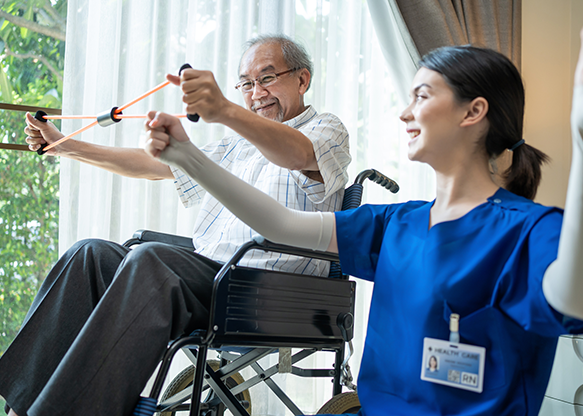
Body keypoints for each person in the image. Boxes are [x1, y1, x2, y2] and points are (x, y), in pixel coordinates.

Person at [142, 23, 583, 416]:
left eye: (422, 95)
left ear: (473, 112)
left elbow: (577, 302)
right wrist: (187, 158)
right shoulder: (396, 224)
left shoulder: (528, 230)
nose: (404, 112)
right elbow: (281, 226)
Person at [0, 34, 350, 416]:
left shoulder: (325, 129)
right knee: (90, 255)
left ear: (302, 80)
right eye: (246, 84)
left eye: (267, 78)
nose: (256, 92)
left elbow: (297, 153)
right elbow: (155, 165)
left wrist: (226, 111)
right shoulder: (237, 144)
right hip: (213, 276)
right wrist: (65, 145)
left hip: (272, 290)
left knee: (151, 262)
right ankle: (20, 409)